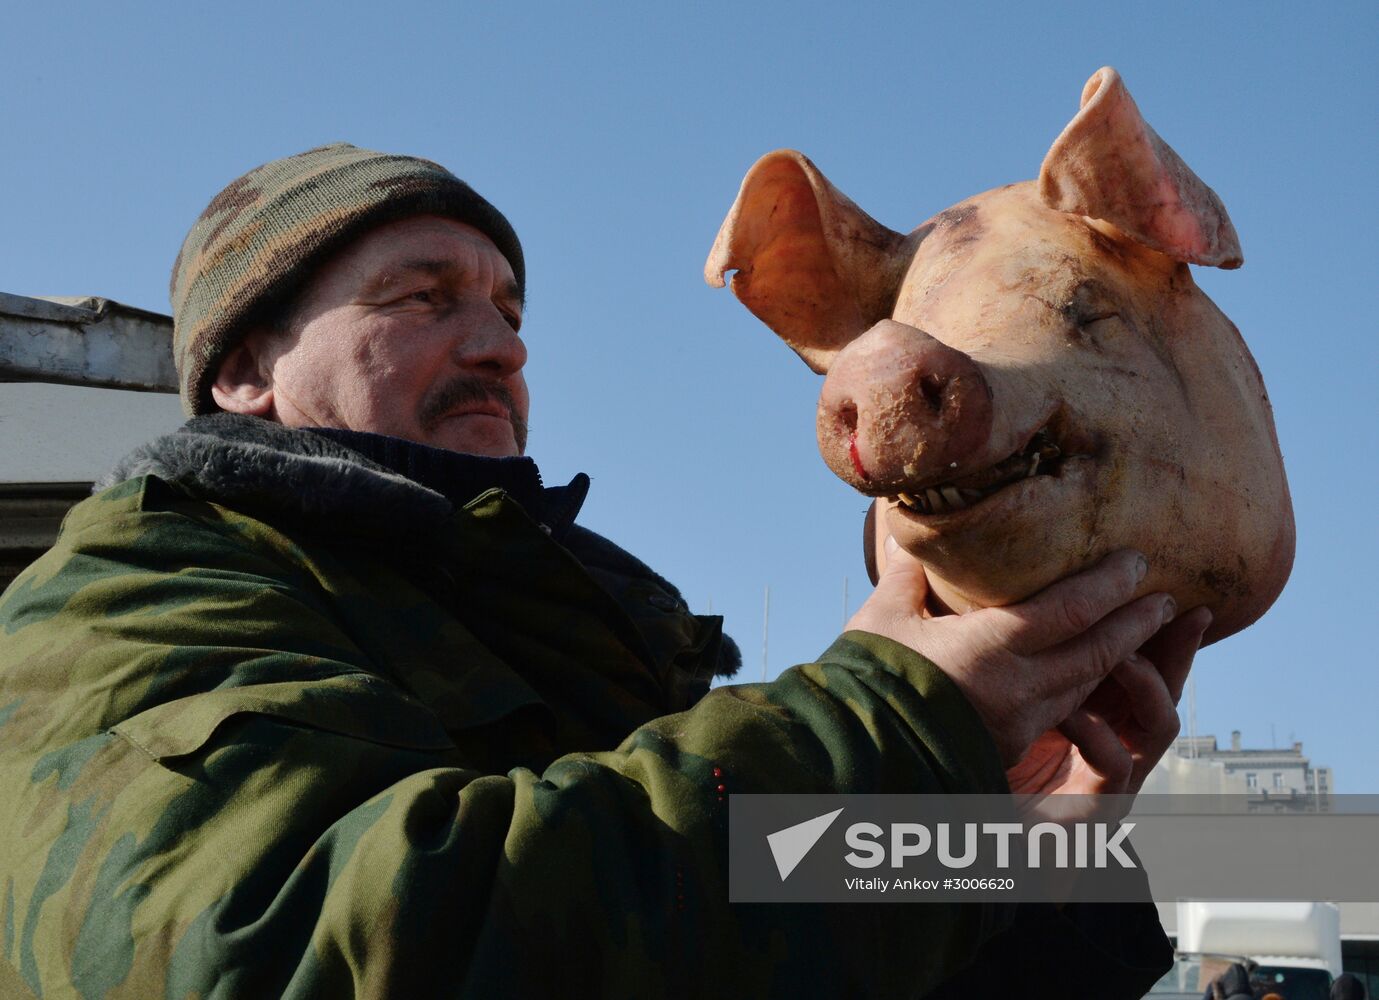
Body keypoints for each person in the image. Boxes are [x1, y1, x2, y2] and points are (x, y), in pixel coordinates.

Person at [0, 143, 1209, 997]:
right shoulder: (135, 593)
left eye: (508, 305)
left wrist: (1020, 855)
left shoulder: (590, 631)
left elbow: (741, 949)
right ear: (243, 373)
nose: (498, 342)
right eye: (421, 299)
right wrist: (886, 724)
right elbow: (286, 951)